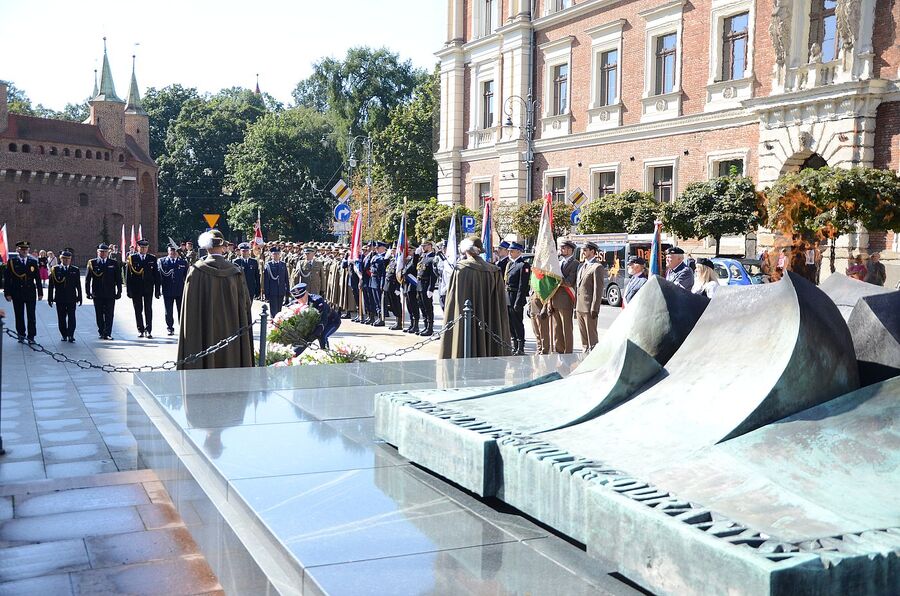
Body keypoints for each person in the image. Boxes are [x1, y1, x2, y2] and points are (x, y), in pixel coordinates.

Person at [178, 229, 254, 370]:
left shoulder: (195, 271)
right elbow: (245, 306)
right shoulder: (235, 272)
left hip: (203, 335)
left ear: (206, 247)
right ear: (223, 247)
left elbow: (189, 310)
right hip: (232, 334)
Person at [439, 236, 511, 358]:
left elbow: (453, 301)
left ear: (466, 250)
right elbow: (500, 305)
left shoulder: (461, 269)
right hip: (488, 322)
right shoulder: (494, 270)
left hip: (465, 320)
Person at [3, 241, 43, 343]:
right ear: (18, 250)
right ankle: (21, 335)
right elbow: (7, 279)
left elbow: (38, 278)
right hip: (17, 292)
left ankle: (31, 336)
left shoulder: (33, 262)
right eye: (22, 249)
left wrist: (40, 292)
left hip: (30, 292)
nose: (24, 251)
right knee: (19, 315)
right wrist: (7, 293)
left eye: (26, 249)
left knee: (31, 316)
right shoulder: (12, 262)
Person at [84, 243, 122, 340]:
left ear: (108, 252)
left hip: (110, 293)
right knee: (99, 314)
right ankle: (101, 331)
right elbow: (88, 279)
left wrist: (119, 291)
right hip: (97, 293)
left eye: (105, 252)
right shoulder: (92, 263)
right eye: (101, 252)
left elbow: (118, 279)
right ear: (98, 252)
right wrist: (88, 292)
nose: (103, 253)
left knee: (109, 314)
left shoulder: (113, 263)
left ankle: (108, 333)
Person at [289, 282, 342, 350]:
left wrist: (314, 334)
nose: (300, 299)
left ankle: (326, 353)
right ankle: (293, 354)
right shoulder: (295, 304)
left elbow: (323, 320)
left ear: (306, 293)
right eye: (297, 297)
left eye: (302, 296)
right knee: (303, 339)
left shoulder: (317, 301)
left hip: (332, 321)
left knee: (322, 336)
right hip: (315, 323)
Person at [126, 239, 161, 339]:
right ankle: (140, 329)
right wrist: (128, 290)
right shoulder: (132, 258)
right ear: (137, 247)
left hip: (148, 288)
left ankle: (148, 330)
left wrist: (157, 290)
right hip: (136, 288)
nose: (143, 249)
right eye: (141, 247)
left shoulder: (152, 258)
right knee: (138, 309)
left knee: (148, 309)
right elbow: (128, 276)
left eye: (145, 247)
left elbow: (156, 275)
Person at [575, 241, 606, 352]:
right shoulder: (581, 266)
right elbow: (578, 287)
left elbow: (598, 290)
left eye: (585, 250)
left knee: (591, 337)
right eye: (582, 250)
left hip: (589, 308)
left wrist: (594, 308)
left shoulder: (597, 267)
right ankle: (585, 352)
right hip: (579, 306)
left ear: (592, 251)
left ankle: (594, 354)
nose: (583, 252)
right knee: (583, 338)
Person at [47, 248, 82, 342]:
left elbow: (78, 285)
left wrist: (80, 297)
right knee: (61, 317)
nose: (66, 260)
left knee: (72, 317)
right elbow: (51, 286)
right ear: (60, 258)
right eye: (64, 258)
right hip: (60, 298)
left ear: (70, 259)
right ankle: (64, 334)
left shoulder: (75, 270)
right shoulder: (55, 269)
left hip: (71, 297)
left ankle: (71, 335)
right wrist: (50, 298)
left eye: (68, 258)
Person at [550, 239, 578, 354]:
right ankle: (559, 351)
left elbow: (569, 282)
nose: (561, 250)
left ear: (570, 250)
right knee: (557, 329)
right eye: (561, 248)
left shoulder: (575, 263)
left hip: (566, 300)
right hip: (555, 300)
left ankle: (568, 352)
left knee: (566, 329)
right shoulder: (558, 262)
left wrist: (556, 279)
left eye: (563, 248)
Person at [504, 241, 530, 355]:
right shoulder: (510, 264)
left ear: (519, 252)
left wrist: (518, 302)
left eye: (512, 251)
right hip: (508, 295)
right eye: (509, 251)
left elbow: (522, 285)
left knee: (517, 322)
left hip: (516, 296)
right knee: (510, 322)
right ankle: (514, 345)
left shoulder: (523, 265)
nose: (510, 253)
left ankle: (520, 347)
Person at [159, 246, 188, 336]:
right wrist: (157, 289)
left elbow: (186, 277)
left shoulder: (183, 262)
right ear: (168, 252)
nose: (173, 253)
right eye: (171, 251)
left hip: (180, 290)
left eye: (174, 251)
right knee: (168, 311)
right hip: (167, 290)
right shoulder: (162, 262)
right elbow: (159, 276)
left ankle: (182, 328)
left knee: (181, 310)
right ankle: (170, 328)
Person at [417, 240, 438, 336]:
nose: (422, 248)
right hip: (420, 285)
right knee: (422, 306)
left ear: (430, 246)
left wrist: (431, 288)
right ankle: (425, 326)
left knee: (428, 307)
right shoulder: (423, 258)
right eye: (422, 246)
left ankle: (430, 328)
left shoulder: (433, 258)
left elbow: (433, 276)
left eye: (424, 246)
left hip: (426, 285)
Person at [263, 245, 290, 316]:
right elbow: (266, 280)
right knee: (273, 310)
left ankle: (278, 322)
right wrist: (266, 292)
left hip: (281, 291)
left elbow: (286, 279)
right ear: (271, 255)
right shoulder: (268, 265)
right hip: (272, 291)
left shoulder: (283, 264)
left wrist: (287, 290)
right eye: (274, 254)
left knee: (279, 310)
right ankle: (273, 321)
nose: (276, 255)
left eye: (278, 254)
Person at [403, 245, 421, 333]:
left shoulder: (416, 259)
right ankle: (411, 324)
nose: (408, 252)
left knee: (414, 306)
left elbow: (414, 265)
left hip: (413, 286)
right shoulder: (409, 260)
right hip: (407, 286)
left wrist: (416, 254)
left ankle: (416, 325)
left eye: (410, 250)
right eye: (408, 250)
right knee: (409, 306)